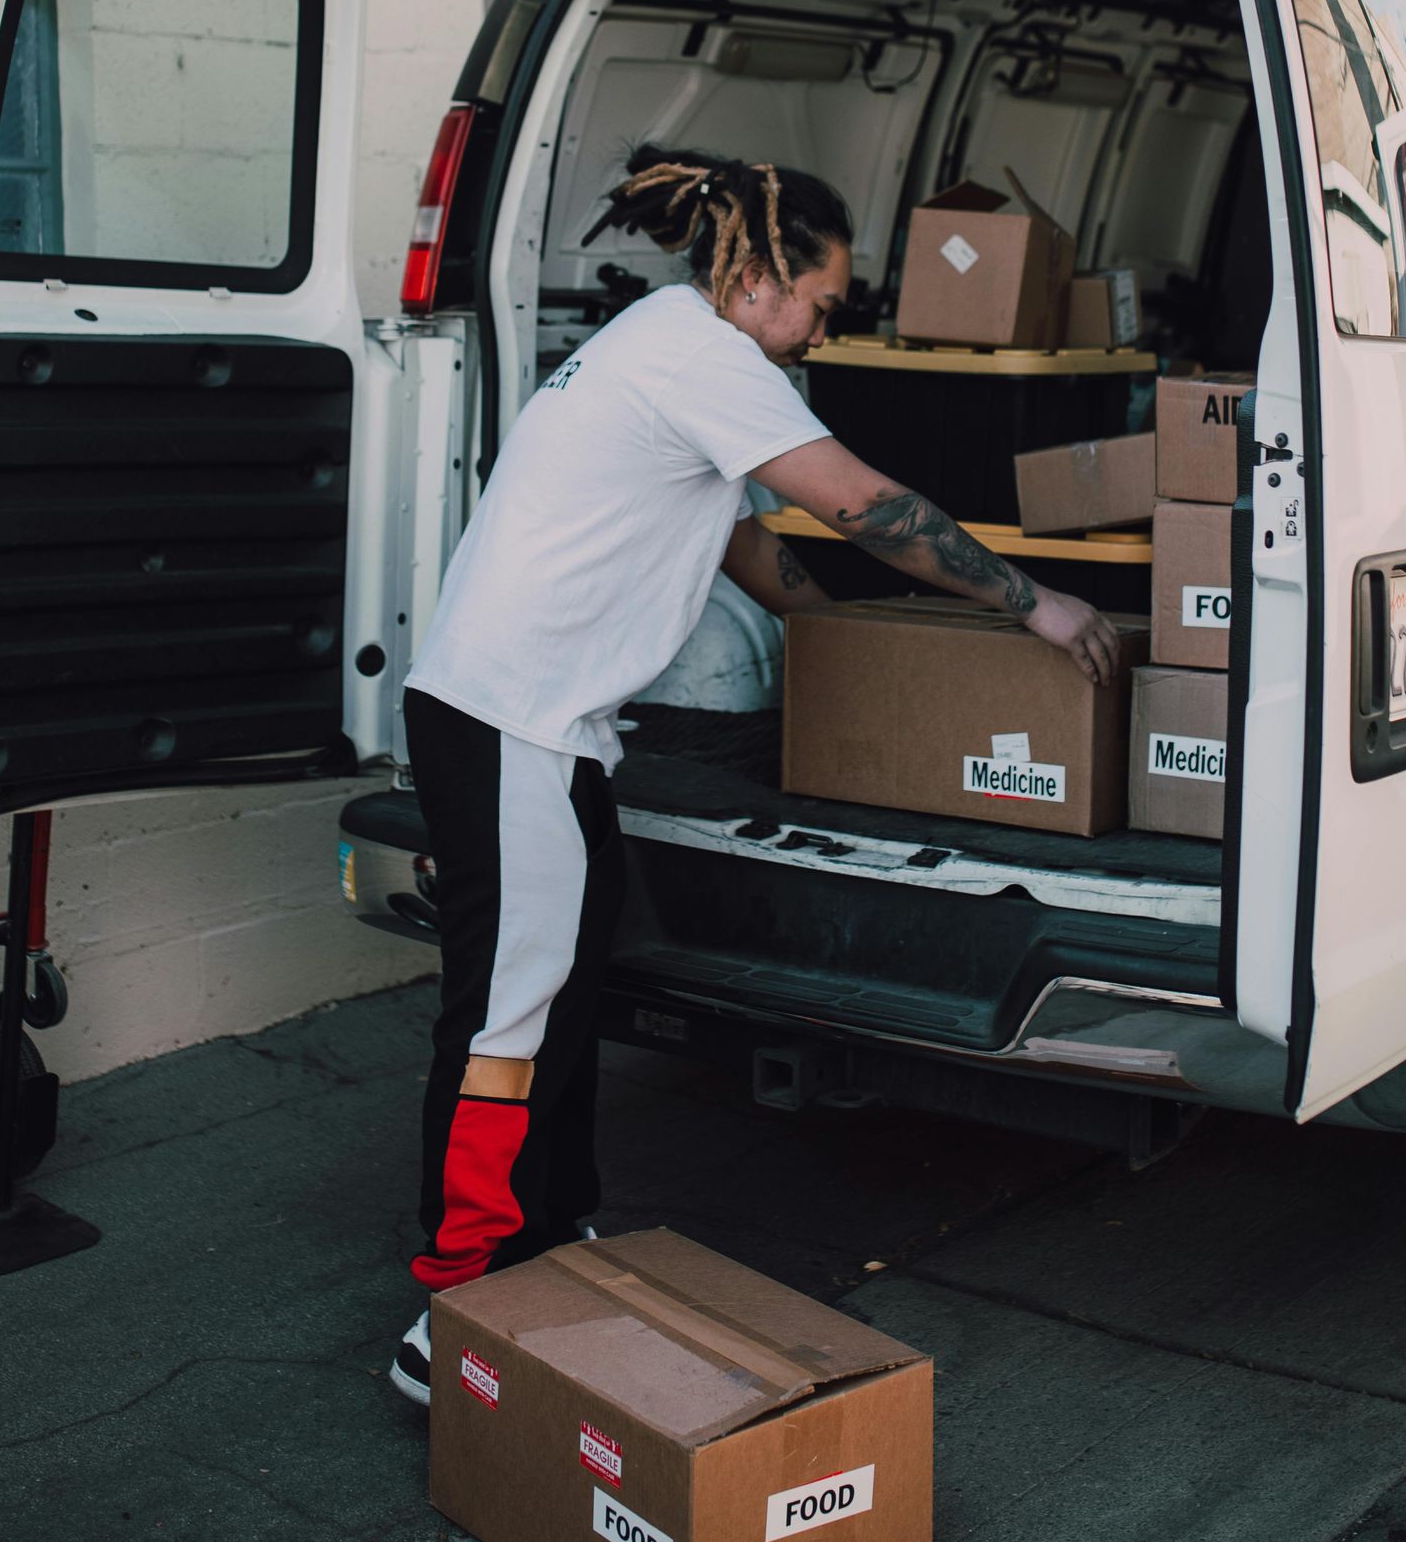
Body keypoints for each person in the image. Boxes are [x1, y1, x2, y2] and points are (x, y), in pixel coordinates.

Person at [388, 144, 1119, 1402]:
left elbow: (741, 541)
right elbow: (858, 504)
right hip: (511, 723)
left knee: (560, 992)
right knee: (504, 1019)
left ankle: (550, 1235)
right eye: (821, 306)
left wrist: (831, 640)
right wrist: (1032, 603)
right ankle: (455, 1303)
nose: (817, 336)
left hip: (542, 729)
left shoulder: (663, 344)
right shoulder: (701, 356)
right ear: (764, 273)